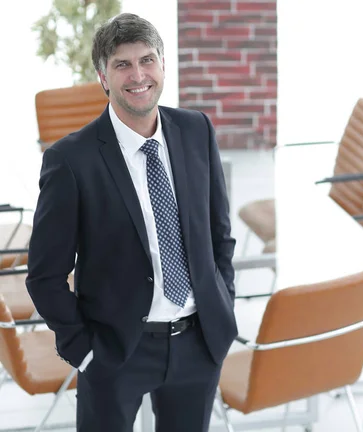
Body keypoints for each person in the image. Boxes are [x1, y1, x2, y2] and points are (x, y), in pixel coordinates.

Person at [25, 12, 237, 432]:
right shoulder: (71, 160)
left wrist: (223, 305)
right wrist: (83, 351)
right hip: (116, 349)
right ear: (104, 76)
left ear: (162, 66)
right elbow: (44, 276)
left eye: (147, 60)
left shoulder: (197, 130)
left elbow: (219, 234)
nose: (138, 75)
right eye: (122, 64)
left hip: (198, 342)